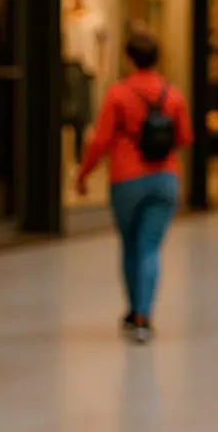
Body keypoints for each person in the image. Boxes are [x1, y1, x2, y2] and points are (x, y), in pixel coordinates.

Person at [76, 30, 189, 342]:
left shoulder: (118, 93)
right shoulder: (173, 94)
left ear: (128, 59)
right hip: (165, 178)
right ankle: (144, 315)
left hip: (127, 179)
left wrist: (83, 174)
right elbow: (184, 137)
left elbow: (100, 140)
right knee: (150, 246)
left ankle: (132, 310)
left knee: (130, 244)